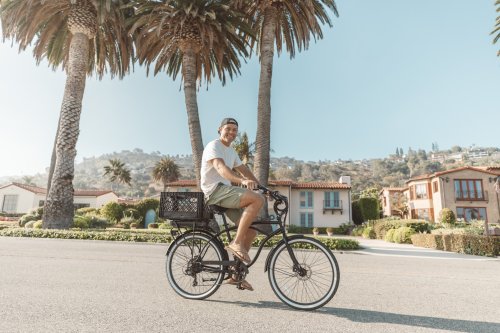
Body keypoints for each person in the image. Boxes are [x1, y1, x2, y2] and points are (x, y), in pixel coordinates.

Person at [201, 117, 265, 291]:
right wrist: (242, 182)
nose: (231, 132)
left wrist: (263, 187)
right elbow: (222, 169)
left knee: (252, 231)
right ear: (220, 129)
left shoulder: (232, 152)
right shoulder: (213, 146)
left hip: (226, 193)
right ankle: (236, 243)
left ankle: (235, 274)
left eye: (234, 130)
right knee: (257, 199)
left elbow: (245, 170)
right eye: (228, 128)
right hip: (215, 191)